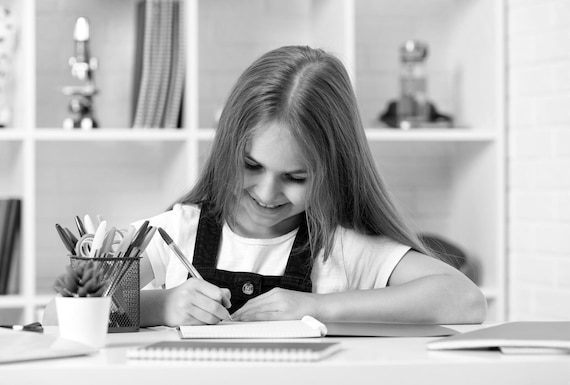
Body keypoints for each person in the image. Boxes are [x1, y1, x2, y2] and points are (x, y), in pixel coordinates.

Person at [138, 45, 486, 327]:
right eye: (251, 166)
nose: (266, 193)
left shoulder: (340, 248)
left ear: (332, 173)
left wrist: (318, 306)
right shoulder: (178, 231)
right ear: (227, 149)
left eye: (295, 177)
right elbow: (86, 296)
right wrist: (162, 305)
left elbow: (465, 300)